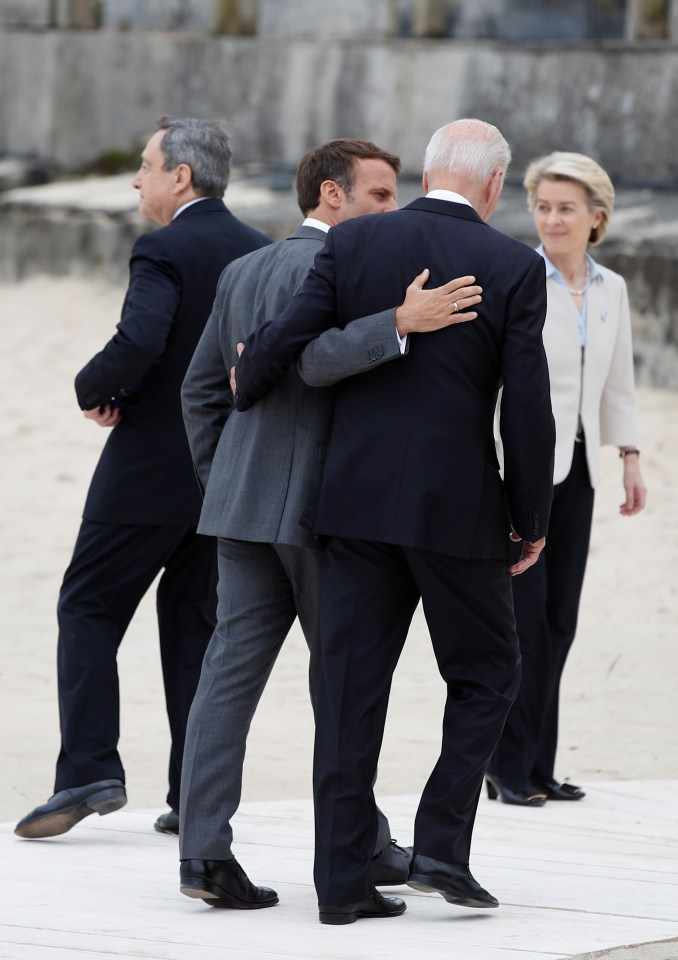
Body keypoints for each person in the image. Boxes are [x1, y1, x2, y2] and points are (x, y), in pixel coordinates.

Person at [233, 118, 555, 924]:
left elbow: (286, 346)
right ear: (492, 185)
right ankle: (441, 842)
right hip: (457, 511)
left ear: (429, 174)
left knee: (347, 695)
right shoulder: (513, 265)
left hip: (354, 505)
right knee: (487, 676)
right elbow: (528, 409)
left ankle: (341, 889)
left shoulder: (356, 245)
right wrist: (532, 517)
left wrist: (248, 376)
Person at [178, 137, 483, 910]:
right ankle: (364, 844)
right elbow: (314, 357)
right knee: (345, 687)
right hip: (327, 512)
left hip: (241, 510)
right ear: (332, 197)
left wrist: (223, 485)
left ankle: (204, 854)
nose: (393, 209)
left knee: (227, 680)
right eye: (380, 195)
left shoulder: (241, 271)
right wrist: (402, 321)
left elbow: (202, 393)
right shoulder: (350, 268)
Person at [14, 116, 271, 841]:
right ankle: (194, 797)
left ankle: (89, 769)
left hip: (147, 469)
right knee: (194, 627)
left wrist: (93, 386)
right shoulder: (260, 250)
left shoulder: (163, 247)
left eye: (145, 164)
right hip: (224, 472)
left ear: (180, 177)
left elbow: (140, 340)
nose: (135, 178)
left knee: (88, 608)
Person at [486, 152, 647, 806]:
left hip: (576, 471)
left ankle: (540, 766)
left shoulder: (611, 289)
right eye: (543, 207)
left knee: (559, 621)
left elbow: (617, 380)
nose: (551, 219)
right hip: (517, 469)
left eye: (566, 208)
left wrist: (629, 455)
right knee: (522, 622)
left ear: (596, 219)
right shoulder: (516, 276)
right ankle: (507, 767)